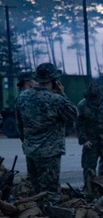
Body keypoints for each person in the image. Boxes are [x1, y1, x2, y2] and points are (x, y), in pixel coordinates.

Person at [14, 62, 77, 200]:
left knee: (36, 190)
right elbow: (73, 114)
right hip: (50, 154)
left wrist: (29, 143)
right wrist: (63, 94)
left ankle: (35, 217)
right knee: (50, 193)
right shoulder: (56, 99)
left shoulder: (22, 97)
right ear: (54, 80)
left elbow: (19, 126)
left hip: (30, 151)